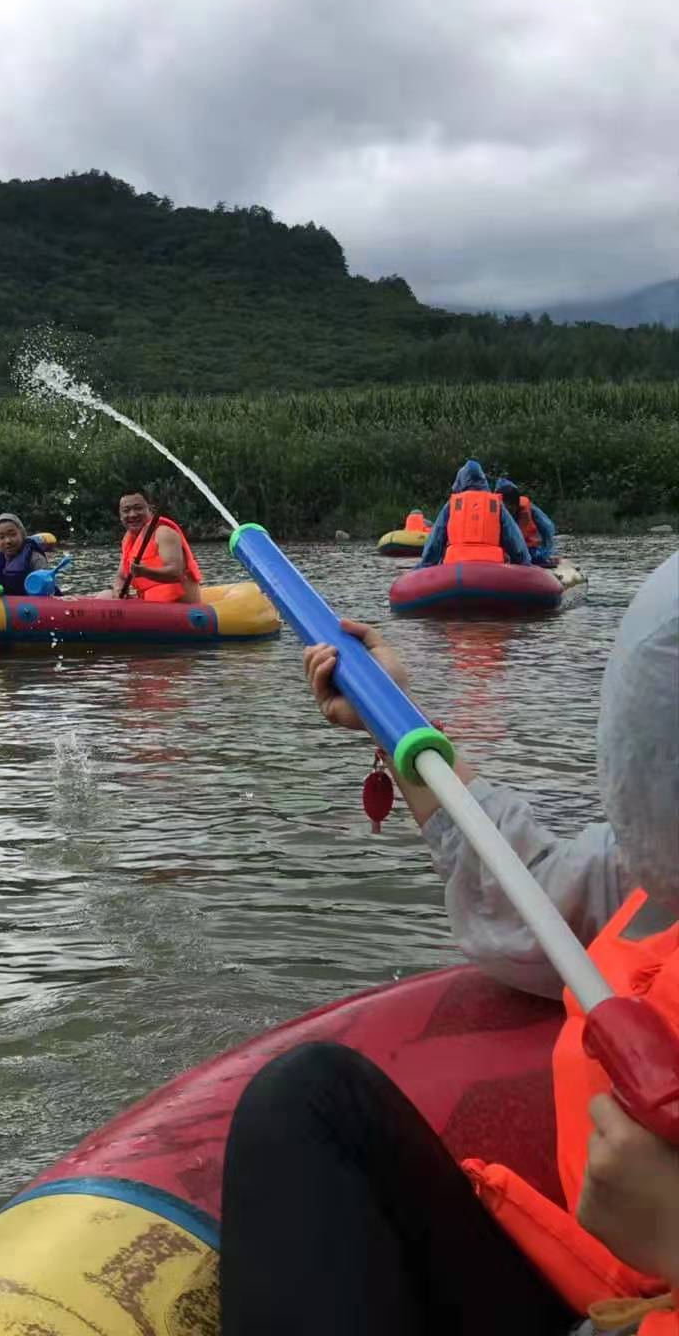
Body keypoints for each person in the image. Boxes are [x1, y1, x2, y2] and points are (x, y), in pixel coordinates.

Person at [220, 553, 679, 1336]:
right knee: (308, 1100)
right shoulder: (654, 875)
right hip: (611, 1297)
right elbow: (528, 886)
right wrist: (393, 711)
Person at [418, 459, 531, 567]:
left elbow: (436, 539)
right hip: (492, 564)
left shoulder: (453, 503)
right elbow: (515, 541)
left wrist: (424, 566)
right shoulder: (495, 504)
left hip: (456, 564)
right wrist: (523, 565)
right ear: (483, 481)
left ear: (460, 481)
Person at [103, 490, 202, 603]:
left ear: (150, 509)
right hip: (151, 607)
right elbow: (121, 576)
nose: (132, 514)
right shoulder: (128, 539)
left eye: (138, 508)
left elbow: (175, 573)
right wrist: (118, 589)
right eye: (126, 511)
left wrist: (145, 572)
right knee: (105, 595)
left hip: (180, 609)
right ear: (120, 516)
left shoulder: (164, 533)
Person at [496, 477, 558, 565]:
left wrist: (546, 552)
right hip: (507, 552)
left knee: (536, 557)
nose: (507, 509)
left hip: (530, 549)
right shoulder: (496, 509)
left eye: (509, 505)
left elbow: (548, 527)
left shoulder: (528, 508)